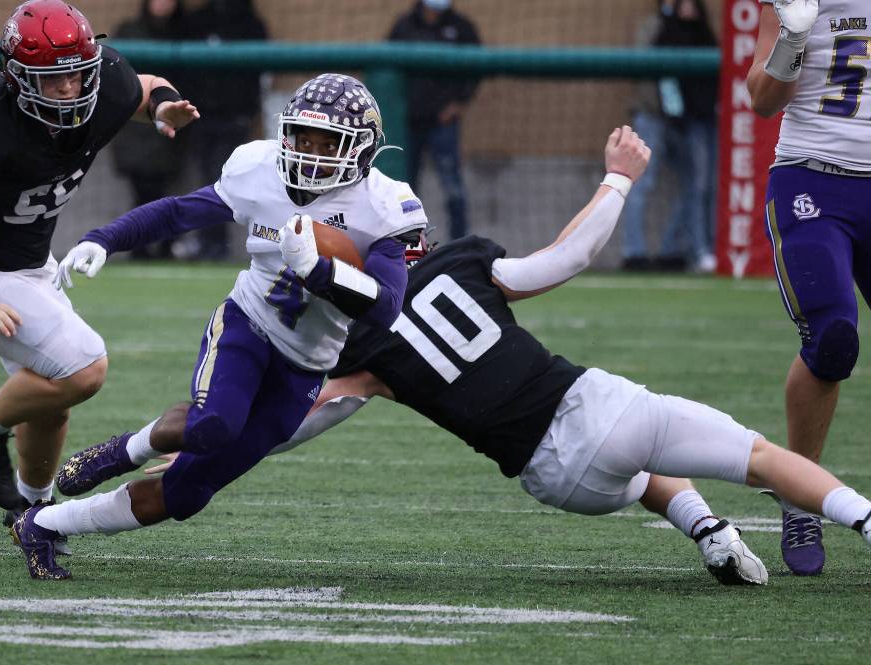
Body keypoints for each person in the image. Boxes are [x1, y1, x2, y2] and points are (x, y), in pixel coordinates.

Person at [258, 126, 871, 585]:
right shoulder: (459, 264)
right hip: (588, 413)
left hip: (556, 482)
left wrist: (215, 440)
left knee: (638, 457)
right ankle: (864, 519)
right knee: (758, 456)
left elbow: (303, 420)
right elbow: (565, 256)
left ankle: (709, 530)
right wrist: (618, 178)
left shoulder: (360, 344)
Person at [10, 73, 429, 580]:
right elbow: (180, 213)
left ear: (361, 148)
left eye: (329, 143)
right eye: (303, 138)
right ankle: (125, 450)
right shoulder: (259, 169)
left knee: (186, 493)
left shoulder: (388, 207)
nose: (313, 154)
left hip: (306, 365)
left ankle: (45, 523)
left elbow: (385, 308)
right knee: (214, 423)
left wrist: (319, 271)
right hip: (247, 324)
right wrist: (106, 238)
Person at [0, 0, 199, 546]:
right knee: (83, 368)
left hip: (31, 265)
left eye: (79, 74)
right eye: (53, 79)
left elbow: (144, 86)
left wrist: (164, 107)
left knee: (52, 400)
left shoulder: (103, 80)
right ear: (16, 75)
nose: (71, 89)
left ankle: (32, 513)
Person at [747, 0, 867, 576]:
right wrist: (794, 34)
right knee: (833, 335)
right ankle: (802, 496)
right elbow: (763, 99)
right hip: (812, 177)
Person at [619, 0, 718, 273]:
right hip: (652, 115)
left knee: (694, 184)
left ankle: (671, 250)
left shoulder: (701, 30)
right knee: (640, 181)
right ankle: (634, 252)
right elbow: (645, 70)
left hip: (685, 121)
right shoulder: (653, 27)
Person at [175, 0, 268, 260]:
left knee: (224, 177)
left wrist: (248, 112)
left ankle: (219, 244)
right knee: (206, 177)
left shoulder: (250, 23)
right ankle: (207, 241)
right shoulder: (197, 20)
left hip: (234, 118)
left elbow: (258, 74)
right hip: (200, 116)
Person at [388, 0, 480, 240]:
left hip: (444, 122)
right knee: (403, 190)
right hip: (409, 123)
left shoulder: (461, 27)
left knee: (453, 189)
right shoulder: (404, 25)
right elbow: (388, 67)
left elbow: (477, 68)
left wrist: (459, 103)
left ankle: (460, 244)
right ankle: (403, 243)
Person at [111, 0, 195, 260]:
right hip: (138, 132)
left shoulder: (186, 33)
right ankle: (141, 245)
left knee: (163, 193)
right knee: (145, 193)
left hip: (171, 128)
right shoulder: (129, 32)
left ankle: (161, 244)